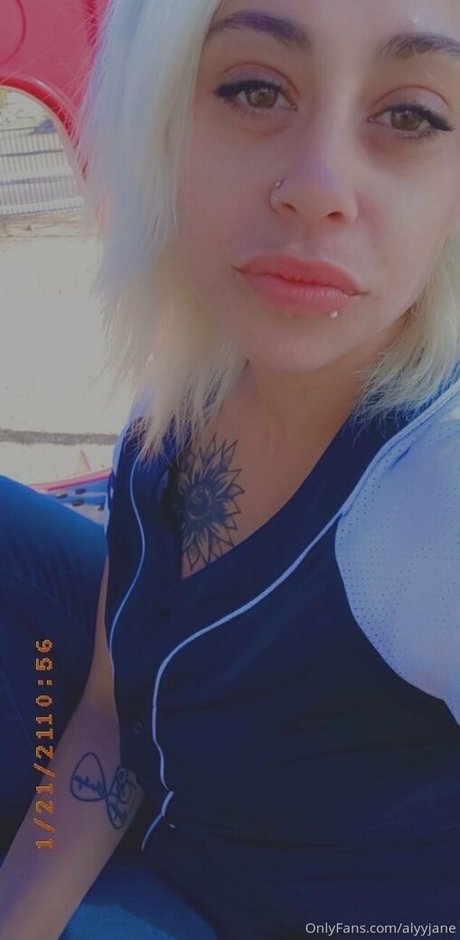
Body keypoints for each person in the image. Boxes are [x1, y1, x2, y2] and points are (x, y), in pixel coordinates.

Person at [0, 0, 459, 936]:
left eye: (411, 114)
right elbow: (107, 705)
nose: (320, 186)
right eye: (255, 89)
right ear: (160, 123)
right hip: (159, 782)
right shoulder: (189, 382)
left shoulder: (432, 499)